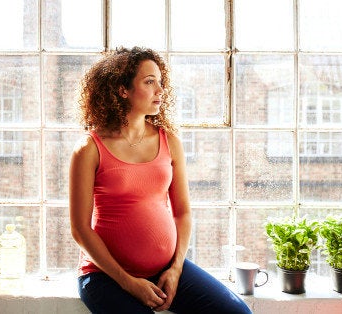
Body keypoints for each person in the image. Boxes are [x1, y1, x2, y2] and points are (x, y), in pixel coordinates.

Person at [68, 46, 252, 314]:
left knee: (239, 313)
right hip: (105, 277)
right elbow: (80, 229)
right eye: (149, 82)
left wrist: (176, 269)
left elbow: (183, 212)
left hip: (166, 270)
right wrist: (129, 283)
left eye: (160, 82)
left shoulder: (169, 140)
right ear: (123, 89)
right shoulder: (89, 148)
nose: (160, 90)